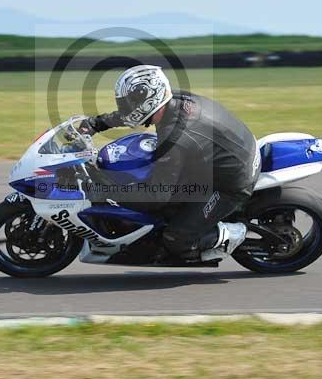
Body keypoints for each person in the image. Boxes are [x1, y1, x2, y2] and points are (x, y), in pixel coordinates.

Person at [79, 65, 258, 262]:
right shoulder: (173, 100)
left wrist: (105, 192)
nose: (125, 107)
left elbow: (156, 196)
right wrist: (97, 123)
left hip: (231, 183)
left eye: (128, 103)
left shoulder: (173, 138)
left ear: (149, 100)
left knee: (176, 239)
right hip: (226, 155)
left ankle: (233, 233)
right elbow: (131, 113)